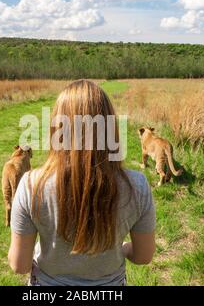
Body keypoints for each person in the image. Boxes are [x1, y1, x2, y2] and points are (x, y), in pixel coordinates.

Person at [8, 80, 156, 286]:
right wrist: (121, 248)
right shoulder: (137, 185)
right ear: (110, 126)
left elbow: (19, 265)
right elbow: (143, 256)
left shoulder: (32, 186)